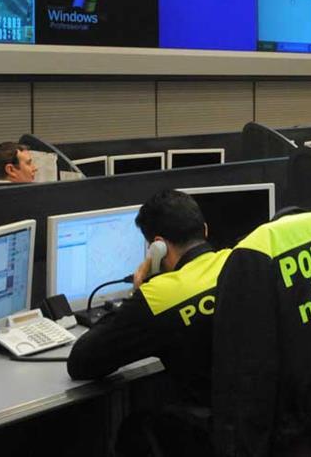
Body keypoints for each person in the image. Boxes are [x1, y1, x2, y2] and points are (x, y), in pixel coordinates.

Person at [69, 190, 231, 457]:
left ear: (158, 247)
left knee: (133, 431)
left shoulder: (160, 296)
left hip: (211, 434)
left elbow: (82, 362)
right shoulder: (239, 263)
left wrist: (139, 293)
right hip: (258, 421)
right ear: (204, 229)